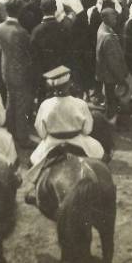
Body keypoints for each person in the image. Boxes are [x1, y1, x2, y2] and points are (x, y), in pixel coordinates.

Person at [24, 65, 106, 205]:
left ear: (52, 87)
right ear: (69, 84)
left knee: (32, 162)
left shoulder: (45, 104)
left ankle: (35, 190)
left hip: (52, 143)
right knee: (101, 156)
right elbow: (87, 130)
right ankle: (101, 186)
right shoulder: (80, 104)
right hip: (78, 141)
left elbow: (41, 131)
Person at [0, 0, 33, 147]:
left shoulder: (1, 27)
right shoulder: (20, 32)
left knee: (11, 100)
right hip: (19, 71)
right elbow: (27, 52)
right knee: (21, 104)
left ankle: (10, 131)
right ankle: (22, 137)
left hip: (5, 68)